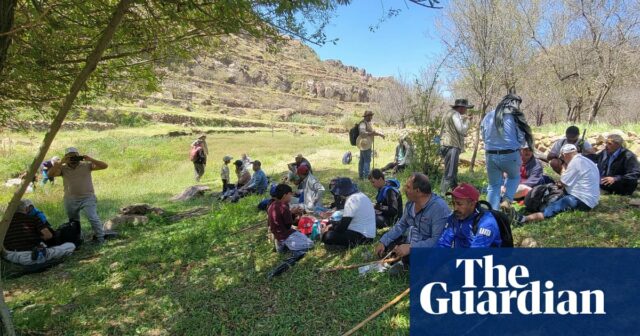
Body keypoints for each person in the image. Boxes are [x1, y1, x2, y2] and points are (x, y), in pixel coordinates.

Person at [374, 173, 450, 263]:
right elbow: (401, 225)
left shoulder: (439, 208)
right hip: (414, 241)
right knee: (391, 245)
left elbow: (437, 240)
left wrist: (411, 247)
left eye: (408, 187)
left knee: (411, 257)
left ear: (418, 191)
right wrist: (383, 241)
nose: (405, 189)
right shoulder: (410, 204)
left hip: (431, 248)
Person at [518, 144, 600, 223]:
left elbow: (562, 183)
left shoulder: (575, 162)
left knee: (552, 207)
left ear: (564, 155)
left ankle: (524, 219)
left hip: (581, 200)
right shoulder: (586, 161)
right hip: (592, 200)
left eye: (562, 158)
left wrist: (563, 167)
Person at [481, 94, 533, 211]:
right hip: (510, 154)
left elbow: (483, 136)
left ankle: (493, 213)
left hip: (491, 155)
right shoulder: (515, 117)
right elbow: (521, 137)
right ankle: (507, 200)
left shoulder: (488, 116)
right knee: (514, 177)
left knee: (493, 185)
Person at [48, 147, 109, 243]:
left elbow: (105, 166)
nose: (73, 159)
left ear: (79, 156)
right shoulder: (62, 168)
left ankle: (101, 238)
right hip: (70, 199)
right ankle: (77, 239)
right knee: (74, 221)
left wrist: (90, 159)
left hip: (87, 197)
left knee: (93, 217)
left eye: (75, 157)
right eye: (70, 157)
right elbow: (50, 174)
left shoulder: (86, 165)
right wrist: (61, 163)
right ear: (66, 158)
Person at [3, 200, 76, 266]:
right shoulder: (33, 219)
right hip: (30, 256)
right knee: (70, 245)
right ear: (26, 209)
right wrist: (38, 237)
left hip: (10, 257)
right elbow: (49, 235)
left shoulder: (4, 224)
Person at [266, 184, 314, 279]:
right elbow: (289, 225)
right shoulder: (284, 207)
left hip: (278, 238)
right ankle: (296, 252)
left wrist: (291, 212)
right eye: (290, 194)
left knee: (298, 235)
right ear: (285, 195)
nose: (291, 196)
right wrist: (295, 215)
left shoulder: (272, 205)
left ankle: (286, 247)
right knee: (311, 244)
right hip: (285, 236)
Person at [438, 183, 502, 248]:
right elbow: (443, 243)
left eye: (459, 204)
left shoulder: (486, 223)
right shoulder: (454, 217)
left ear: (472, 204)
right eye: (453, 203)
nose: (455, 208)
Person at [321, 178, 376, 247]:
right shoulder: (361, 195)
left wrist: (329, 228)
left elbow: (342, 228)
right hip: (368, 235)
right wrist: (332, 225)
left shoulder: (351, 200)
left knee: (328, 236)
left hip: (362, 237)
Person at [440, 98, 474, 194]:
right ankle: (442, 194)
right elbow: (462, 130)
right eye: (465, 108)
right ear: (461, 108)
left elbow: (445, 128)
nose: (466, 110)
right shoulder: (456, 114)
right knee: (450, 172)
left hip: (444, 144)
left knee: (451, 170)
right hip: (452, 146)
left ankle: (454, 192)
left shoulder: (447, 114)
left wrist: (465, 118)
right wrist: (468, 122)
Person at [356, 110, 385, 180]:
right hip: (365, 144)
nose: (371, 117)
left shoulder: (366, 123)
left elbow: (370, 132)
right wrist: (371, 133)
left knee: (362, 161)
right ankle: (366, 177)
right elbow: (362, 133)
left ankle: (361, 176)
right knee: (367, 161)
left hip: (365, 144)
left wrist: (380, 134)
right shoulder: (363, 124)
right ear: (367, 116)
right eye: (370, 116)